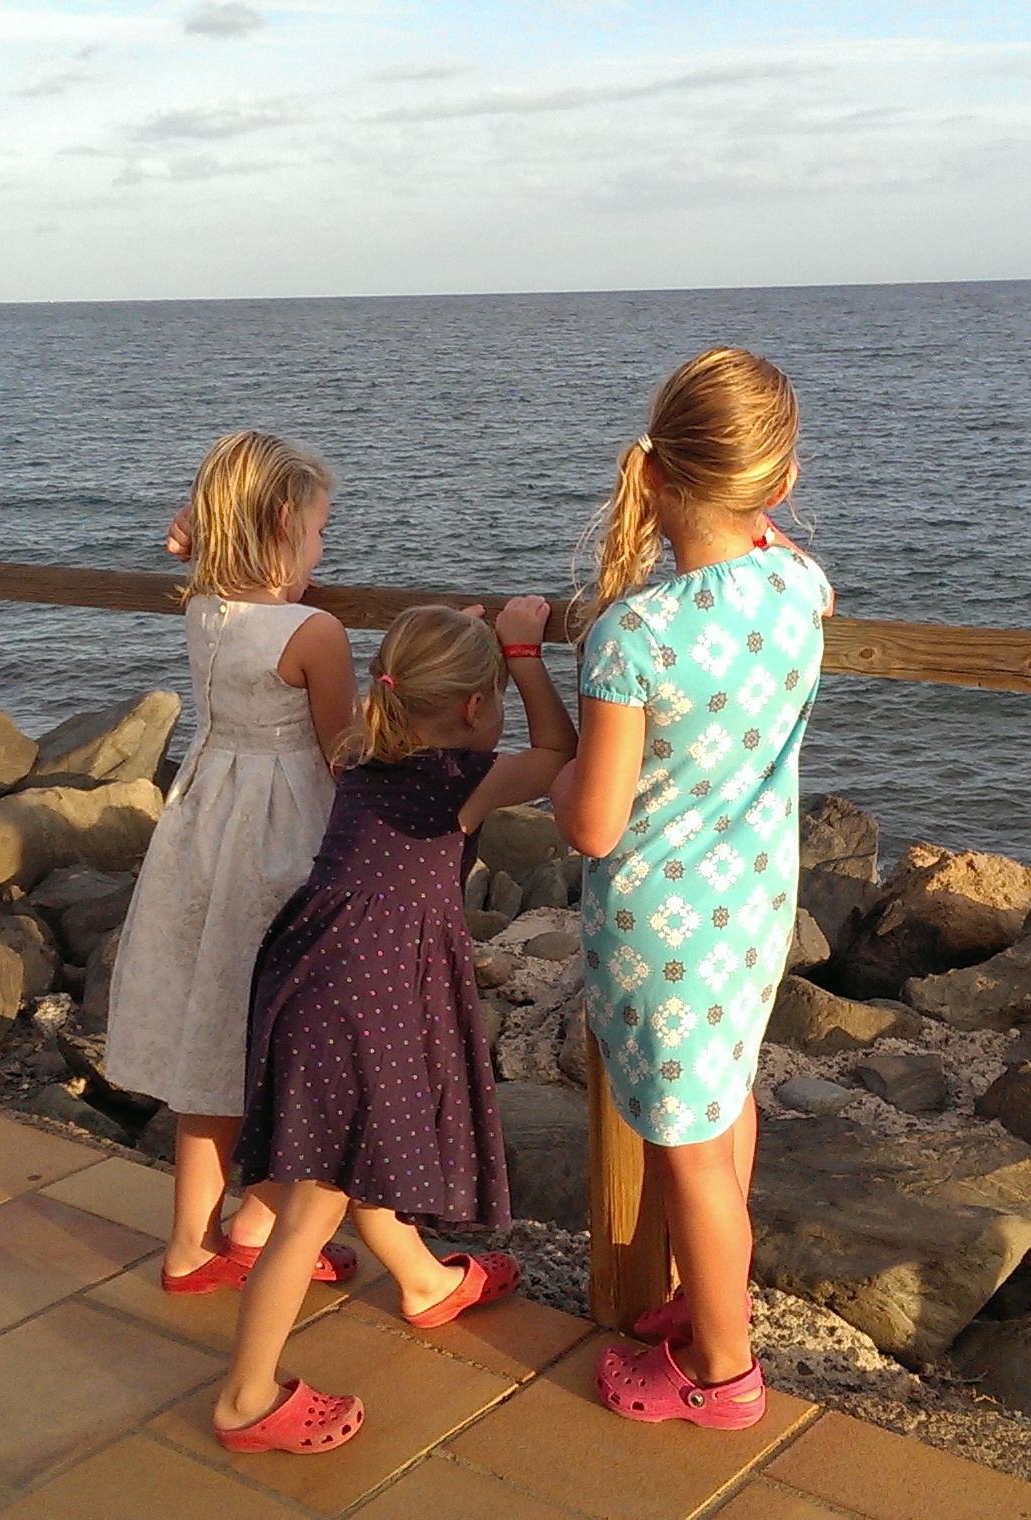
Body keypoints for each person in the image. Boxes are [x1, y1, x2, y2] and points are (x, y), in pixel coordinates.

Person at [209, 599, 578, 1453]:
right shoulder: (458, 781)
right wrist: (524, 652)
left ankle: (423, 1282)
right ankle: (245, 1399)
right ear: (475, 707)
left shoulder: (359, 753)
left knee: (363, 1147)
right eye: (489, 697)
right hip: (365, 995)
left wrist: (465, 647)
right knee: (311, 1209)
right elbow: (559, 753)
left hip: (315, 970)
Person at [551, 347, 831, 1430]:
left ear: (654, 471)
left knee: (689, 1147)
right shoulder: (797, 589)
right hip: (753, 909)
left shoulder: (634, 635)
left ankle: (724, 1373)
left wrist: (551, 760)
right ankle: (712, 1298)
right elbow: (791, 560)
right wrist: (765, 531)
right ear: (780, 486)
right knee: (725, 1107)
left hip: (662, 932)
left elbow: (593, 822)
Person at [111, 430, 362, 1295]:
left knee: (216, 1037)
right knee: (294, 1036)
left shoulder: (206, 606)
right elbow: (344, 754)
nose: (325, 548)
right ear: (286, 523)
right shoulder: (316, 632)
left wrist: (201, 531)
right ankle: (264, 1221)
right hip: (284, 839)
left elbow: (197, 541)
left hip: (207, 819)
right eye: (321, 531)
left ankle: (198, 1241)